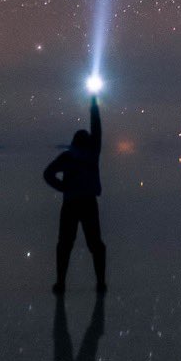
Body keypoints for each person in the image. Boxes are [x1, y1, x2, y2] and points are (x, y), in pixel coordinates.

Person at [43, 95, 107, 295]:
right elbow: (97, 130)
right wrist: (94, 105)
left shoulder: (69, 157)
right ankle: (100, 283)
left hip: (72, 204)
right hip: (85, 203)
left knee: (66, 244)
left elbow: (47, 174)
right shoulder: (90, 154)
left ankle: (61, 283)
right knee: (93, 244)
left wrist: (63, 187)